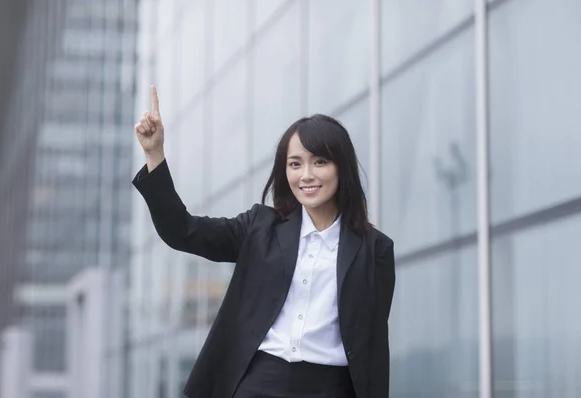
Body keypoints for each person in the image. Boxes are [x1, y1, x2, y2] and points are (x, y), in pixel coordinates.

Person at [133, 85, 396, 398]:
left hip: (331, 388)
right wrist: (155, 154)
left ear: (342, 168)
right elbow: (182, 230)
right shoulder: (260, 227)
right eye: (295, 164)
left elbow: (372, 344)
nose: (306, 175)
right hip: (257, 382)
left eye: (320, 162)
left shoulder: (374, 250)